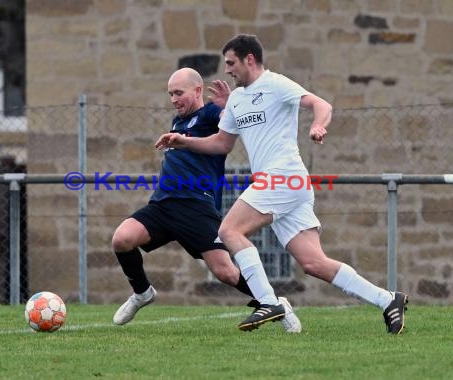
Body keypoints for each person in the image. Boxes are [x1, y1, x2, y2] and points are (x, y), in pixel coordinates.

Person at [156, 34, 409, 334]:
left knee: (229, 230)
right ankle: (388, 300)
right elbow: (222, 143)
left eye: (231, 63)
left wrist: (318, 124)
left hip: (284, 175)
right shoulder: (236, 99)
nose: (227, 70)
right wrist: (184, 142)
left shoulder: (276, 84)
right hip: (280, 184)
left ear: (249, 59)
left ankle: (268, 301)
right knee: (313, 263)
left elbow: (321, 104)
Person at [111, 67, 301, 333]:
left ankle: (276, 304)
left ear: (198, 90)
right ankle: (142, 293)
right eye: (170, 94)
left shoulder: (211, 113)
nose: (174, 99)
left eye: (179, 93)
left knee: (226, 272)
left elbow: (232, 129)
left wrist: (228, 106)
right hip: (163, 205)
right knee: (122, 239)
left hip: (197, 208)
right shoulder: (177, 121)